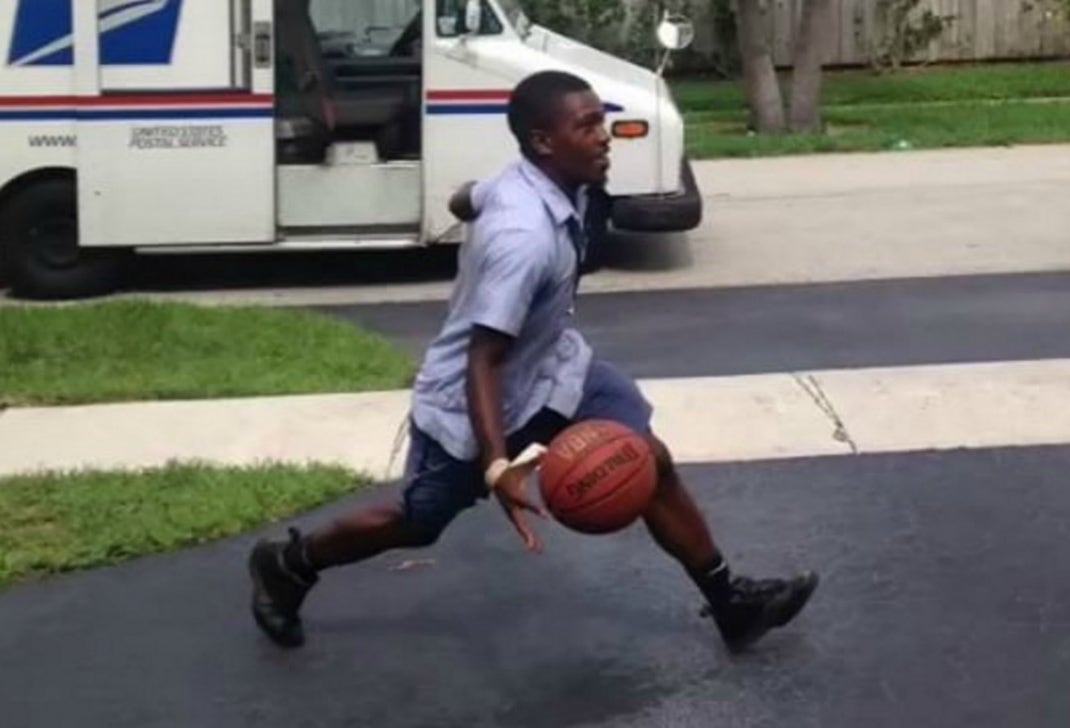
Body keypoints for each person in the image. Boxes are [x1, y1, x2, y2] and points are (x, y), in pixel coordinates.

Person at [247, 69, 818, 653]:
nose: (605, 136)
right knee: (416, 523)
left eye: (602, 121)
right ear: (544, 142)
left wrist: (469, 202)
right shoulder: (523, 239)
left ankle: (731, 604)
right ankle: (290, 563)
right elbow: (483, 358)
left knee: (647, 460)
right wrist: (499, 467)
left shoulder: (543, 178)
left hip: (556, 366)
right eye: (588, 125)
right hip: (481, 401)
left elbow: (466, 196)